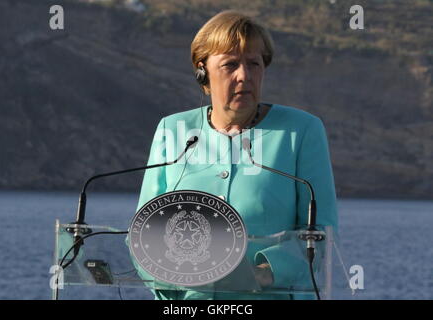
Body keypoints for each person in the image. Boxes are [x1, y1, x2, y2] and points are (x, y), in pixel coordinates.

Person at [131, 10, 338, 300]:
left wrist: (263, 274)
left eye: (254, 64)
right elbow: (144, 231)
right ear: (202, 71)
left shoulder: (300, 131)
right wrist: (167, 285)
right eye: (230, 64)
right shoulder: (173, 129)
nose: (244, 76)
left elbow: (321, 233)